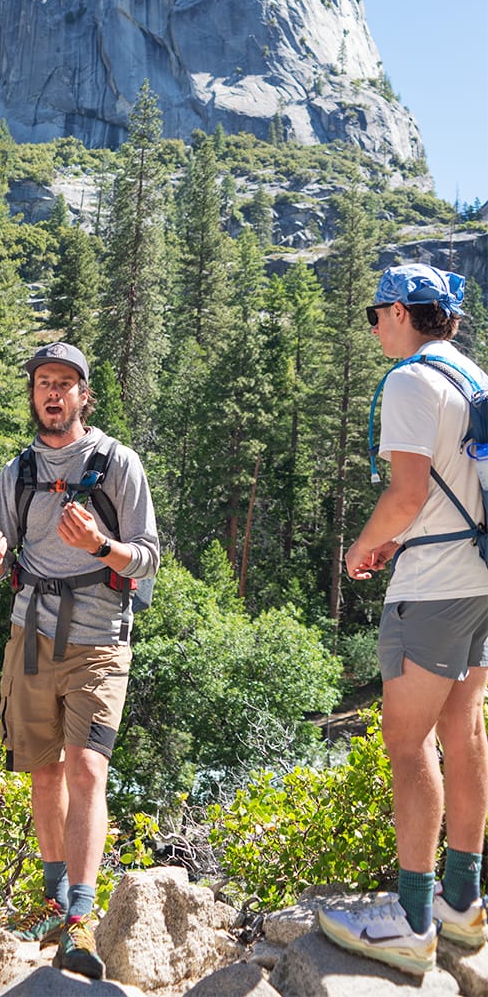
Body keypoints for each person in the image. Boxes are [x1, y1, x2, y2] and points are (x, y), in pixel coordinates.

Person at [319, 264, 488, 975]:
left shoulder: (410, 381)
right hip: (480, 574)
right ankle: (462, 902)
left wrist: (363, 545)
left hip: (432, 587)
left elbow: (407, 487)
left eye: (372, 313)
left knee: (404, 741)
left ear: (395, 313)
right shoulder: (469, 374)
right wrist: (400, 533)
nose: (371, 326)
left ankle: (414, 922)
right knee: (464, 726)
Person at [0, 342, 159, 980]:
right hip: (30, 636)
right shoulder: (17, 472)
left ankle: (80, 919)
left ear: (85, 395)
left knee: (85, 771)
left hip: (101, 641)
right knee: (44, 774)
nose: (52, 393)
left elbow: (149, 561)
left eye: (65, 383)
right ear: (33, 394)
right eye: (43, 383)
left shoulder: (117, 465)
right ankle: (54, 907)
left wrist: (102, 545)